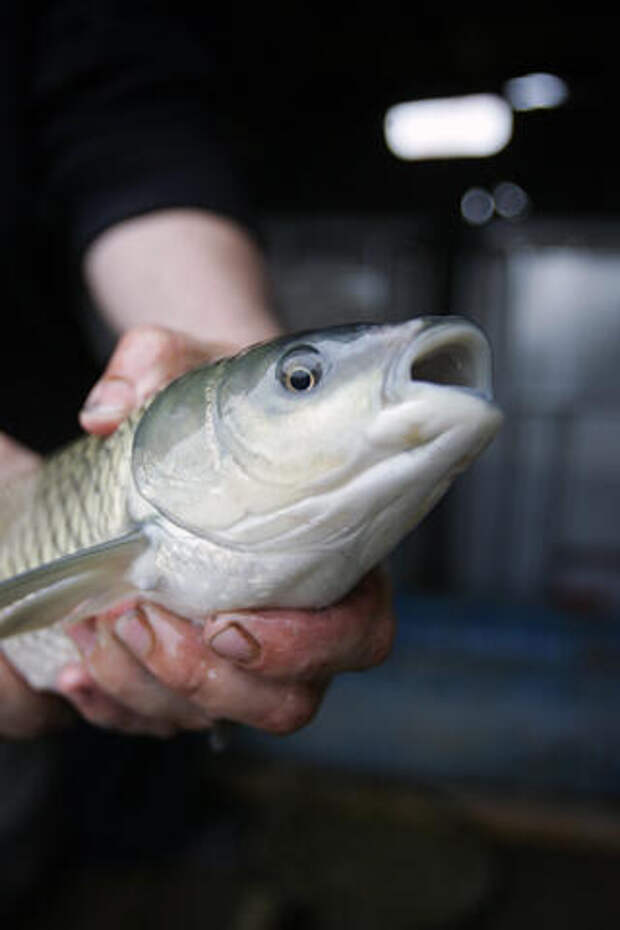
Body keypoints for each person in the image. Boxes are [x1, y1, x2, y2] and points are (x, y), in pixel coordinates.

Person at [0, 4, 395, 740]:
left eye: (301, 384)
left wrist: (230, 345)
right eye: (302, 383)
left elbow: (129, 137)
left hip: (50, 438)